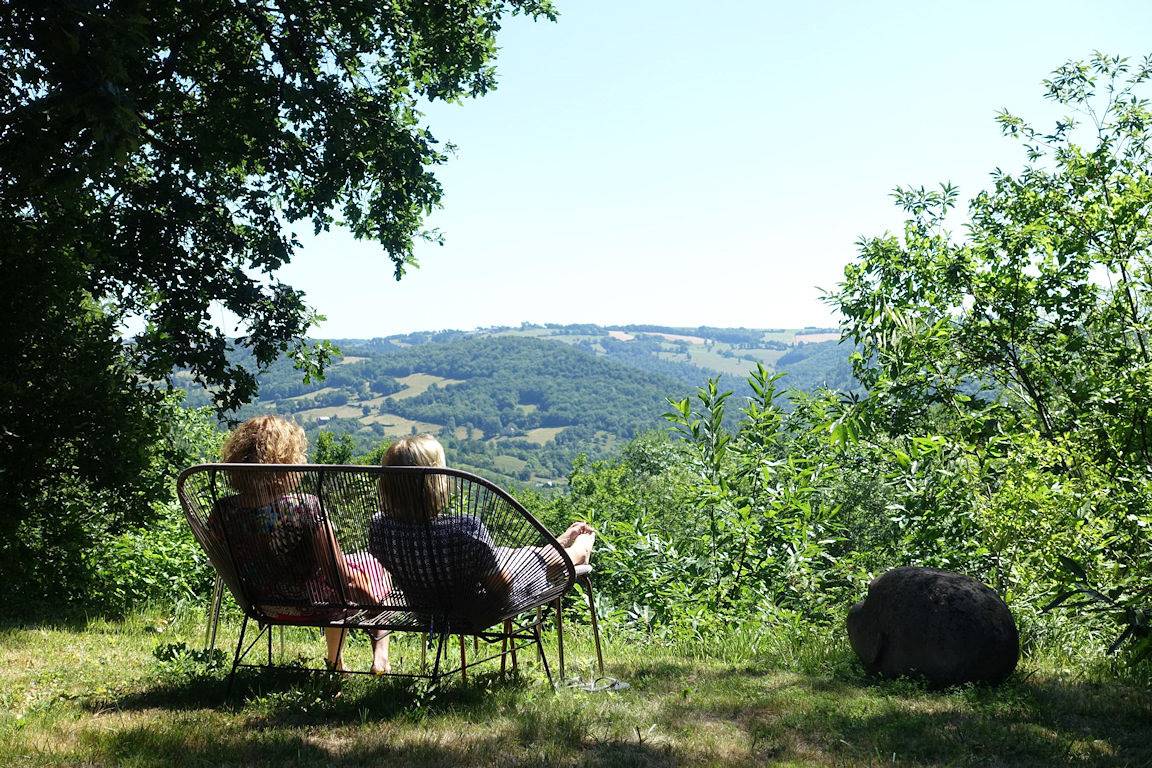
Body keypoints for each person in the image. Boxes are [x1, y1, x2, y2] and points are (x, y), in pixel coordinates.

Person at [211, 415, 392, 674]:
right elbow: (337, 575)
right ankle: (363, 651)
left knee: (356, 569)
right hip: (311, 604)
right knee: (367, 565)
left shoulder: (222, 511)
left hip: (258, 600)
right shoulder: (303, 507)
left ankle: (338, 662)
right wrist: (371, 597)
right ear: (287, 461)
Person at [368, 434, 595, 618]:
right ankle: (578, 553)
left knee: (523, 555)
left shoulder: (380, 528)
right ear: (436, 483)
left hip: (426, 611)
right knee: (538, 563)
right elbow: (502, 591)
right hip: (478, 607)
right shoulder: (464, 530)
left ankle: (556, 545)